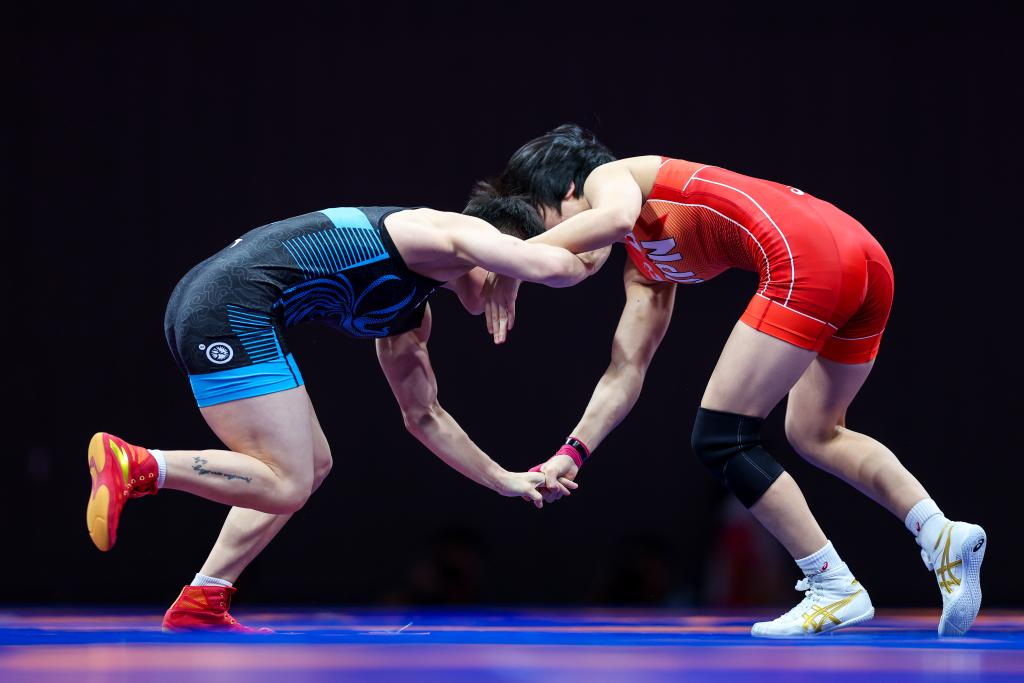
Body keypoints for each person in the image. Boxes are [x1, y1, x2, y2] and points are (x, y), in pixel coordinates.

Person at [468, 124, 987, 637]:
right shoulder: (646, 269)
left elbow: (616, 216)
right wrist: (573, 452)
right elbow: (626, 371)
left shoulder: (612, 176)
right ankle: (939, 533)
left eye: (547, 231)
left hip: (810, 258)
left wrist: (514, 263)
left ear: (568, 191)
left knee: (721, 436)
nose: (562, 256)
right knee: (816, 432)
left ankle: (832, 585)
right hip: (862, 258)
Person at [86, 203, 584, 631]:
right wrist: (609, 223)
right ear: (501, 249)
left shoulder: (410, 312)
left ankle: (205, 597)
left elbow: (424, 416)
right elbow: (558, 265)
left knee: (313, 465)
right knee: (288, 483)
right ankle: (141, 465)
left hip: (221, 306)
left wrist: (502, 479)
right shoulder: (445, 229)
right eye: (509, 273)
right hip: (229, 308)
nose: (504, 295)